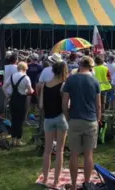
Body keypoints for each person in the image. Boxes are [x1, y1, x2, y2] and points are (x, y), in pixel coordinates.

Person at [62, 56, 101, 190]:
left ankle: (73, 185)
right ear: (91, 66)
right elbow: (99, 105)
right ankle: (87, 183)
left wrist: (67, 116)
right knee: (88, 154)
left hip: (75, 119)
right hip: (90, 119)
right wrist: (98, 118)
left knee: (74, 154)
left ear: (79, 65)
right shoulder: (95, 81)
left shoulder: (71, 79)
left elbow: (64, 101)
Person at [40, 62, 69, 188]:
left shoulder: (45, 85)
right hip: (60, 117)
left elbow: (41, 105)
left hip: (48, 119)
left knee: (47, 151)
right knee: (60, 151)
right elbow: (66, 105)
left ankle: (45, 178)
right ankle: (56, 180)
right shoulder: (63, 86)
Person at [3, 62, 34, 146]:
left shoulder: (12, 76)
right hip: (22, 100)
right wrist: (29, 91)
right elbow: (30, 91)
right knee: (20, 120)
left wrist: (8, 95)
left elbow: (4, 87)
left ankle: (13, 140)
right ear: (25, 68)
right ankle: (18, 140)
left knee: (13, 120)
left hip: (13, 99)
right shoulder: (26, 77)